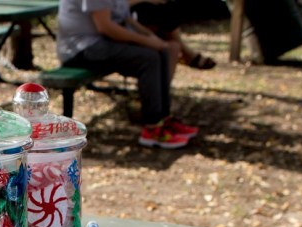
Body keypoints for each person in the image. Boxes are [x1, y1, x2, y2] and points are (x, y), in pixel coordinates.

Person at [57, 0, 199, 149]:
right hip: (82, 49)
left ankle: (163, 119)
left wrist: (152, 39)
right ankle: (153, 127)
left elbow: (126, 19)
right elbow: (105, 27)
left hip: (101, 43)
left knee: (162, 51)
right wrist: (146, 41)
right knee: (149, 59)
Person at [130, 0, 217, 70]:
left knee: (170, 12)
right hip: (129, 18)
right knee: (160, 13)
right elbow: (120, 8)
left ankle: (185, 53)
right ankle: (187, 54)